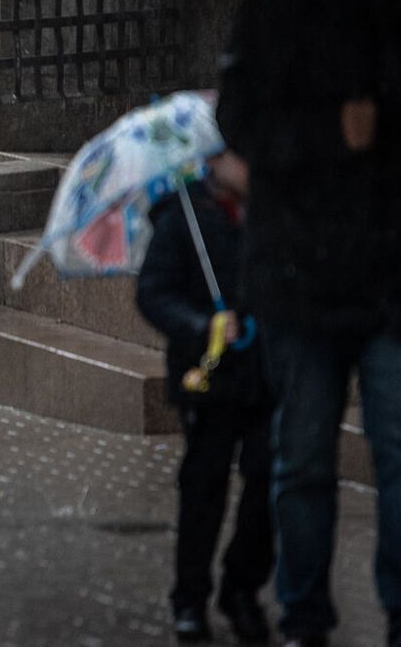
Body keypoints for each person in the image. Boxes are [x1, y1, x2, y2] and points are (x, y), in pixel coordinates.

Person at [216, 0, 401, 647]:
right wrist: (330, 131)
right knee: (303, 457)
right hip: (302, 279)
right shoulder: (276, 4)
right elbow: (237, 122)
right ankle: (304, 620)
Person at [137, 149, 272, 645]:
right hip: (208, 376)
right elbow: (153, 294)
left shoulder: (272, 213)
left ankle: (242, 588)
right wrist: (202, 325)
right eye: (242, 155)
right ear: (215, 160)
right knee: (204, 484)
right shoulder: (184, 216)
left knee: (267, 479)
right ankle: (190, 598)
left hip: (265, 373)